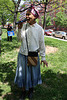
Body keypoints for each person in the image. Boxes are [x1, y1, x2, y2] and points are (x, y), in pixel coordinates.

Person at [14, 4, 48, 100]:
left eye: (29, 15)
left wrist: (43, 57)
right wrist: (20, 28)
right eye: (26, 15)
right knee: (23, 74)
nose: (27, 16)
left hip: (33, 55)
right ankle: (23, 91)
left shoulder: (39, 29)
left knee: (32, 74)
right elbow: (19, 39)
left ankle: (31, 90)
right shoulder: (24, 26)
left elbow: (41, 44)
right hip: (22, 55)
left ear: (35, 16)